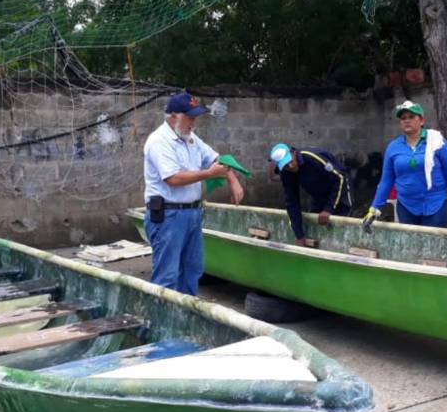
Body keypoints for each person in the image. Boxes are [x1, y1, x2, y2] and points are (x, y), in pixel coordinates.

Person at [143, 91, 244, 295]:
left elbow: (218, 159)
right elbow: (173, 178)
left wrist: (233, 180)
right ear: (173, 116)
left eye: (195, 117)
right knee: (167, 276)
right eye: (190, 117)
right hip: (168, 216)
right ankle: (162, 325)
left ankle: (185, 321)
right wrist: (208, 174)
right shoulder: (159, 141)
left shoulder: (190, 138)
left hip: (192, 214)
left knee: (192, 271)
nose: (194, 122)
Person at [364, 100, 447, 228]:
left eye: (411, 117)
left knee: (433, 245)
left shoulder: (437, 142)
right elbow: (386, 181)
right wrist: (374, 208)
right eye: (403, 118)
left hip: (435, 205)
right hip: (406, 206)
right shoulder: (393, 147)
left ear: (421, 121)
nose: (406, 121)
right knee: (410, 246)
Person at [268, 143, 353, 245]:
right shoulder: (286, 173)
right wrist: (299, 235)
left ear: (293, 153)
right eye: (285, 165)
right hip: (318, 193)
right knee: (316, 220)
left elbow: (340, 178)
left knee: (340, 221)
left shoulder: (311, 158)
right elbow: (291, 201)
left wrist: (328, 209)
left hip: (339, 186)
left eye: (290, 161)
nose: (290, 166)